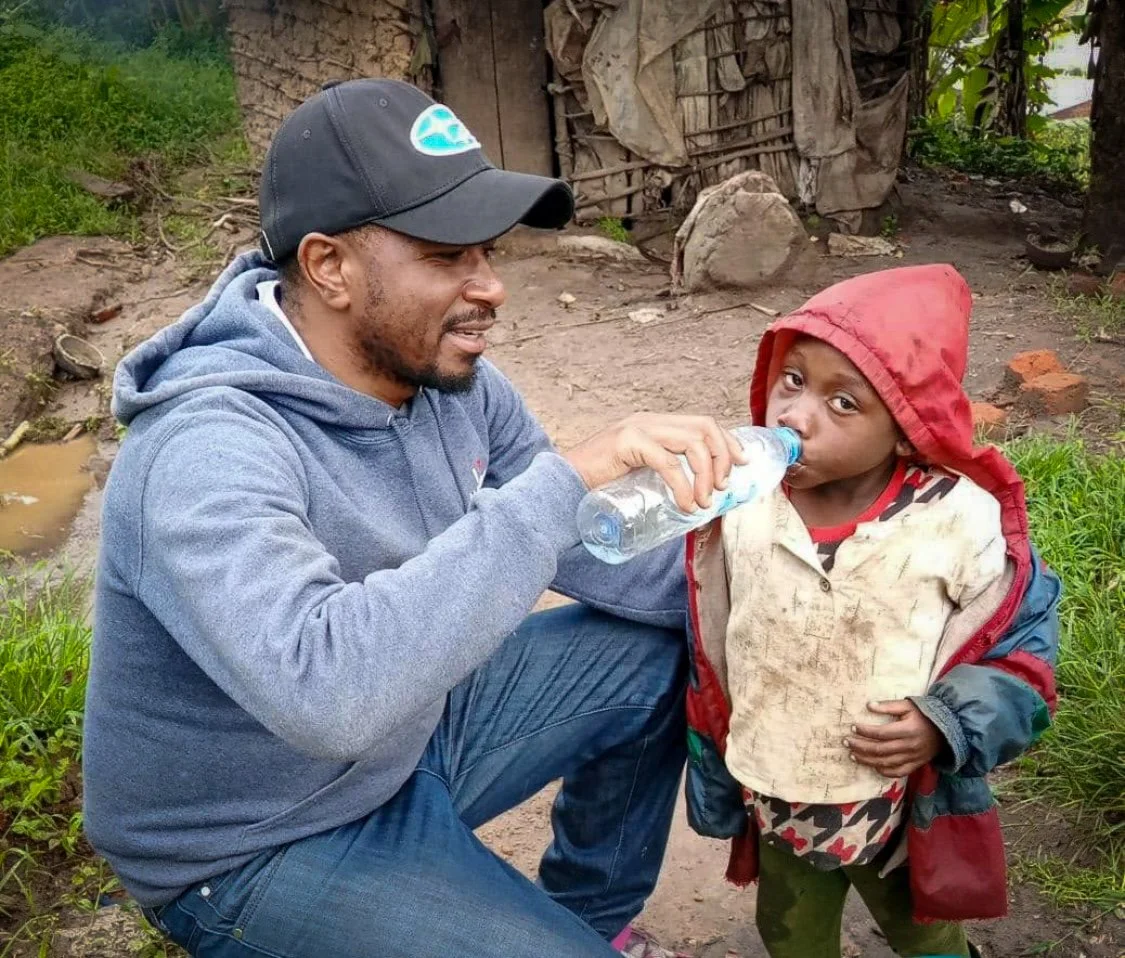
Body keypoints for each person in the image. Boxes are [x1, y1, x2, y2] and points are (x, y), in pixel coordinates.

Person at [81, 77, 1058, 958]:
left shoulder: (449, 381)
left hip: (409, 737)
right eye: (445, 255)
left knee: (662, 632)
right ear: (330, 265)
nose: (491, 286)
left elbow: (602, 556)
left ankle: (589, 919)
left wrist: (853, 599)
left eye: (488, 249)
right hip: (255, 837)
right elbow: (328, 691)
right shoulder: (209, 448)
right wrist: (562, 480)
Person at [681, 265, 1061, 958]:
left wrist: (942, 722)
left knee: (922, 931)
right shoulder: (739, 504)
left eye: (843, 403)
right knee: (789, 932)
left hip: (894, 803)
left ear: (905, 428)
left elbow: (1024, 653)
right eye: (791, 380)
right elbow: (710, 627)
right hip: (776, 788)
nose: (795, 416)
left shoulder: (954, 522)